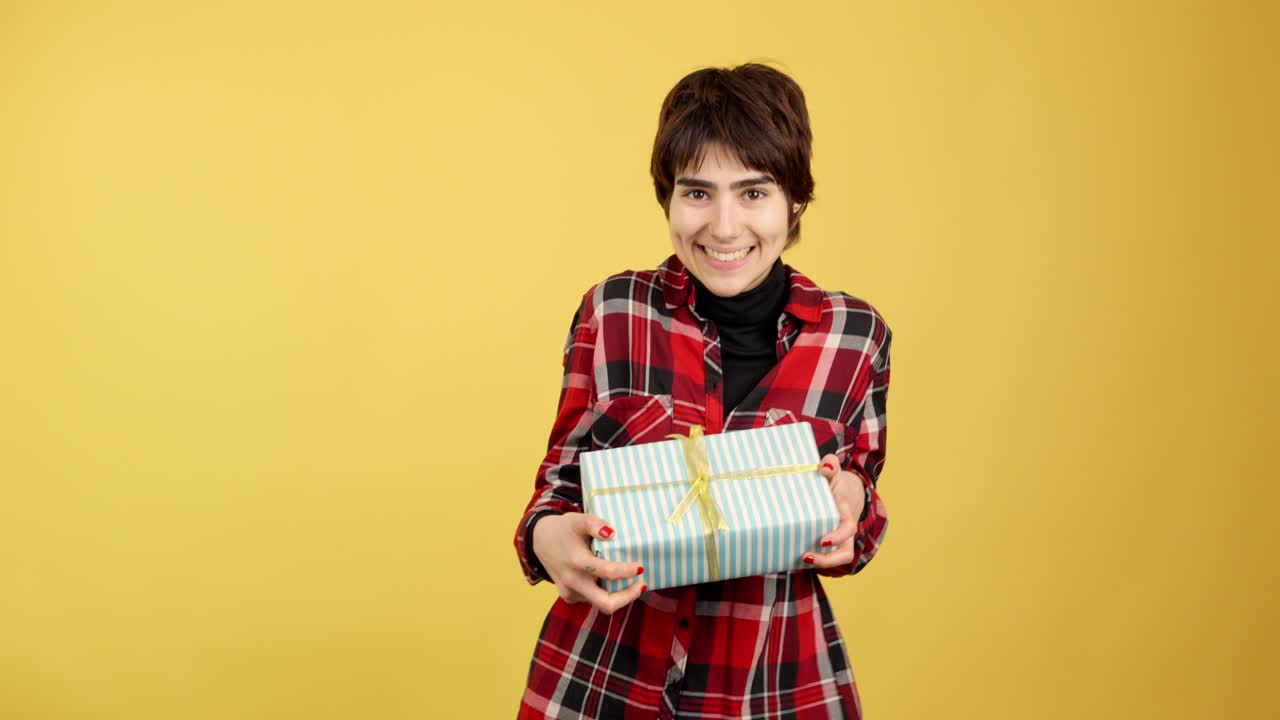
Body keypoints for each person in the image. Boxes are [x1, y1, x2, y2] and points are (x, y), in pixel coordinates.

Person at [513, 63, 892, 719]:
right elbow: (558, 483)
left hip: (772, 684)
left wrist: (851, 505)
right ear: (667, 197)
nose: (722, 227)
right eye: (697, 194)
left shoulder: (855, 336)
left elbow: (858, 490)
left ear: (794, 200)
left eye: (753, 193)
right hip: (605, 679)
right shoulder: (613, 311)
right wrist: (548, 538)